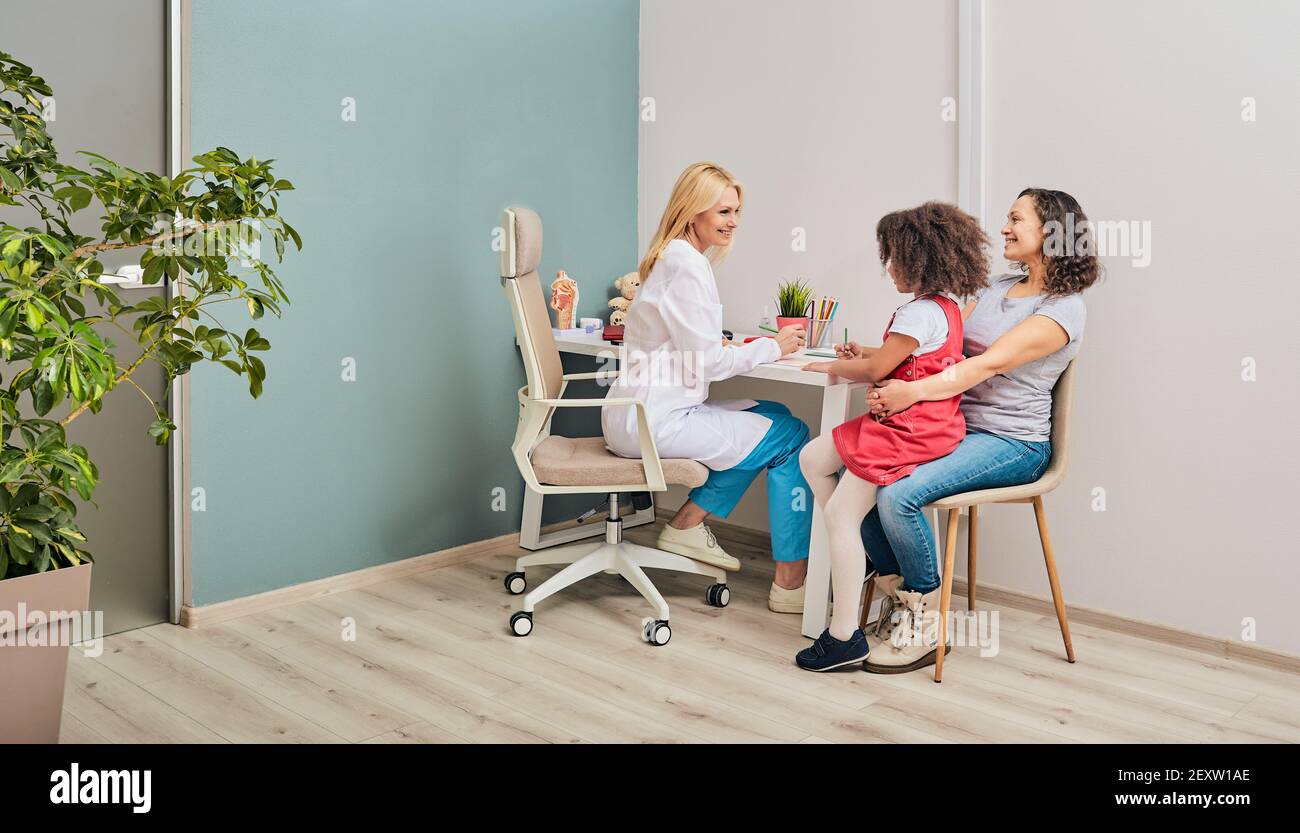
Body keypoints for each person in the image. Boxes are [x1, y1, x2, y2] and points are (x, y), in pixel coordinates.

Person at [858, 188, 1101, 674]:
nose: (1004, 228)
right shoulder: (994, 287)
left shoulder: (1063, 308)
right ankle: (901, 599)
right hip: (956, 428)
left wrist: (909, 394)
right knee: (865, 487)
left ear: (1050, 231)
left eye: (1016, 219)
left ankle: (925, 619)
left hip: (1013, 444)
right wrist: (874, 359)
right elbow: (941, 350)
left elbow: (984, 366)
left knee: (898, 497)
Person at [601, 161, 813, 611]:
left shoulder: (670, 257)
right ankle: (791, 584)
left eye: (736, 212)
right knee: (792, 437)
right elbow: (710, 364)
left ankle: (686, 526)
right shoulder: (689, 264)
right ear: (693, 211)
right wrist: (774, 348)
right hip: (654, 422)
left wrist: (744, 344)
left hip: (632, 414)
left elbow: (688, 343)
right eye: (722, 212)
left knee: (774, 415)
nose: (733, 222)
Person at [794, 202, 990, 671]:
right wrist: (863, 351)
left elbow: (881, 369)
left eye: (894, 258)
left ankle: (844, 638)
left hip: (904, 431)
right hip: (926, 426)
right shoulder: (942, 308)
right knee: (812, 459)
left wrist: (835, 365)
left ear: (921, 259)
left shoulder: (920, 311)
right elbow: (901, 356)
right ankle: (857, 552)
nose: (889, 268)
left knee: (841, 514)